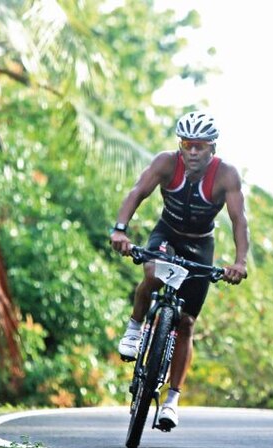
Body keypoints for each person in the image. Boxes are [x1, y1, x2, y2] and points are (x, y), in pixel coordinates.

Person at [110, 111, 249, 431]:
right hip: (167, 235)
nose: (193, 152)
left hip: (201, 245)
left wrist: (239, 263)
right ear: (180, 145)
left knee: (186, 322)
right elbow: (136, 193)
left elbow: (239, 220)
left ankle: (171, 401)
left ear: (212, 147)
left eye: (200, 146)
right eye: (187, 144)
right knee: (153, 274)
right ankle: (134, 329)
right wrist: (120, 230)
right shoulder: (165, 163)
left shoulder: (226, 175)